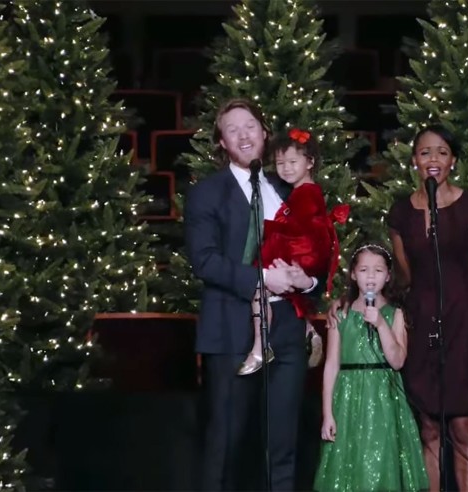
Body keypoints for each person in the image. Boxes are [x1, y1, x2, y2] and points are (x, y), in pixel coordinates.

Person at [345, 124, 468, 492]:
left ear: (452, 161)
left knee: (464, 424)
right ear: (414, 162)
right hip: (422, 325)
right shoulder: (402, 213)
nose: (432, 159)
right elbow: (403, 277)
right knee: (429, 425)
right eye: (424, 152)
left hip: (466, 323)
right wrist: (361, 305)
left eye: (440, 152)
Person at [184, 98, 323, 491]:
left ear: (265, 133)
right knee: (225, 442)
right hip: (232, 330)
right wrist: (263, 280)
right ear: (222, 144)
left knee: (283, 443)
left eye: (250, 126)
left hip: (287, 329)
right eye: (233, 130)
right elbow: (206, 261)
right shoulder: (207, 193)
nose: (244, 135)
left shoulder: (290, 187)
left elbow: (316, 250)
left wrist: (307, 281)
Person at [313, 244, 427, 492]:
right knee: (349, 464)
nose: (371, 276)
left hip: (384, 399)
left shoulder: (395, 314)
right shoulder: (340, 314)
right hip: (348, 399)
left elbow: (397, 361)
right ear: (353, 274)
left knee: (380, 463)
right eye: (364, 270)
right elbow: (331, 364)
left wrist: (380, 324)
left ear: (388, 276)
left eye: (378, 270)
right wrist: (327, 413)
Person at [238, 127, 349, 376]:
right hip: (295, 253)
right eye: (280, 163)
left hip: (297, 255)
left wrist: (271, 231)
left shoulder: (307, 194)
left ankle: (260, 346)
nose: (286, 168)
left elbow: (304, 230)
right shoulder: (300, 192)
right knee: (268, 293)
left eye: (292, 162)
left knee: (259, 289)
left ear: (309, 162)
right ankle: (306, 330)